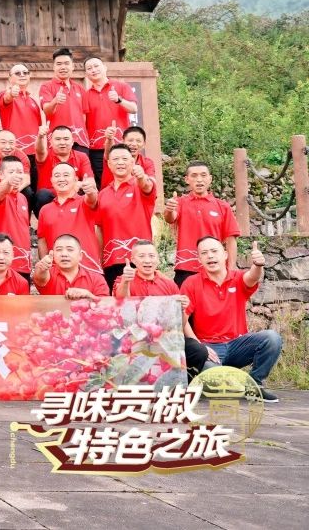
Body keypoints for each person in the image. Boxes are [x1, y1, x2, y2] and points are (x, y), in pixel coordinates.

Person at [182, 237, 282, 402]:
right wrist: (199, 347)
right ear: (199, 259)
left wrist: (258, 265)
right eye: (204, 253)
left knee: (272, 338)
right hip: (209, 349)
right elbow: (183, 320)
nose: (210, 256)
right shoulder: (191, 283)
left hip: (237, 345)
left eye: (214, 251)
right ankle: (215, 377)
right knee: (218, 383)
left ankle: (255, 385)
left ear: (225, 255)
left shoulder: (237, 277)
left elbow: (252, 277)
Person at [113, 240, 210, 378]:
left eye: (151, 256)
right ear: (133, 259)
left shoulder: (169, 284)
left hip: (165, 338)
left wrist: (183, 309)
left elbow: (179, 323)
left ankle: (182, 384)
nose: (147, 260)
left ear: (158, 259)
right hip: (134, 339)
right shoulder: (123, 280)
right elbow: (121, 302)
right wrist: (126, 281)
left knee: (198, 350)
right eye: (142, 256)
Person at [165, 161, 239, 286]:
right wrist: (169, 209)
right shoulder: (180, 202)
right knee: (184, 299)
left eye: (203, 175)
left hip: (214, 266)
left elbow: (231, 240)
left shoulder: (223, 206)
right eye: (194, 175)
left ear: (210, 178)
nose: (199, 179)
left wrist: (231, 270)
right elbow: (170, 218)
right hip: (185, 267)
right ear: (187, 179)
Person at [96, 143, 157, 288]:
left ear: (132, 161)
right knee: (115, 300)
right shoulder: (103, 194)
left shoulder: (139, 186)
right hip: (111, 261)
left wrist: (141, 177)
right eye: (115, 159)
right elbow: (99, 229)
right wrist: (100, 259)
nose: (120, 162)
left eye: (124, 159)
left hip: (140, 260)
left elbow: (147, 186)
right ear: (109, 164)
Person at [36, 162, 102, 276]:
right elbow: (42, 240)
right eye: (57, 176)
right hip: (57, 274)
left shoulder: (83, 202)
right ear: (51, 180)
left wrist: (91, 191)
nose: (61, 179)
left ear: (76, 179)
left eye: (66, 175)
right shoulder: (45, 210)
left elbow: (92, 200)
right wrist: (46, 267)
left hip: (88, 269)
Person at [82, 56, 138, 187]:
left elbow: (134, 109)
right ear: (86, 74)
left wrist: (119, 100)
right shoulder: (86, 95)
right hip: (97, 148)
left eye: (96, 66)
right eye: (89, 68)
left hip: (121, 145)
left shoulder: (121, 86)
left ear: (105, 68)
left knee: (125, 182)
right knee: (103, 184)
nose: (93, 70)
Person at [0, 155, 32, 278]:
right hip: (3, 264)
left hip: (24, 263)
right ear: (0, 174)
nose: (16, 176)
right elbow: (2, 190)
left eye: (20, 172)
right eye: (11, 172)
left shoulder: (23, 197)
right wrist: (9, 181)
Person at [0, 64, 43, 182]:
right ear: (10, 78)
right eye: (17, 73)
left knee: (35, 188)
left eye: (25, 73)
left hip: (35, 154)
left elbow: (39, 128)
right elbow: (7, 98)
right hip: (16, 155)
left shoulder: (33, 101)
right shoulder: (4, 94)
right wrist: (12, 93)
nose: (22, 75)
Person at [34, 124, 94, 212]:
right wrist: (40, 137)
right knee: (42, 195)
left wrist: (79, 184)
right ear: (51, 141)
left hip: (73, 197)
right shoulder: (45, 155)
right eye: (58, 139)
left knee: (90, 191)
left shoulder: (82, 156)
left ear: (72, 141)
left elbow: (90, 182)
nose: (62, 142)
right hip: (49, 199)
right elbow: (40, 151)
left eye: (66, 139)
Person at [40, 48, 89, 153]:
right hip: (57, 141)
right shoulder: (46, 86)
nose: (63, 67)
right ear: (53, 67)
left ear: (73, 66)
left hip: (80, 141)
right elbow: (47, 111)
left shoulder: (80, 88)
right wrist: (55, 101)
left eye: (66, 63)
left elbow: (84, 117)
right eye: (59, 64)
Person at [32, 234, 111, 299]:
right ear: (53, 254)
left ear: (80, 255)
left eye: (70, 250)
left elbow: (105, 306)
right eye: (59, 250)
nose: (64, 254)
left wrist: (89, 296)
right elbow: (40, 277)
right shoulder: (49, 274)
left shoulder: (96, 279)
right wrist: (41, 268)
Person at [100, 124, 156, 189]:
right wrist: (109, 139)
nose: (134, 144)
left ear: (144, 144)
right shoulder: (114, 156)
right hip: (110, 194)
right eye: (130, 140)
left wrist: (141, 177)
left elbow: (151, 184)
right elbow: (109, 153)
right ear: (123, 141)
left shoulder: (147, 162)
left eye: (138, 141)